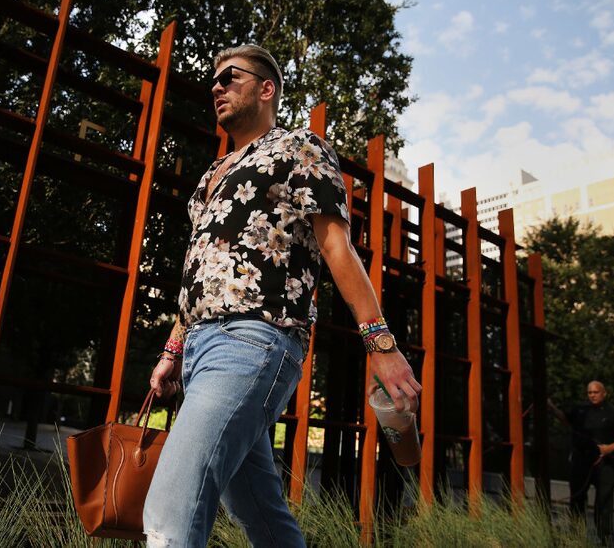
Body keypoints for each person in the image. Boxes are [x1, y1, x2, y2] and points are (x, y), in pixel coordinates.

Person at [141, 44, 421, 547]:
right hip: (200, 348)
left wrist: (381, 344)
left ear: (266, 88)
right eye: (214, 80)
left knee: (172, 502)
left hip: (254, 340)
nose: (216, 87)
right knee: (256, 509)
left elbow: (337, 245)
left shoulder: (300, 149)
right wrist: (170, 351)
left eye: (230, 77)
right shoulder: (212, 176)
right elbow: (200, 273)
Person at [548, 381, 614, 546]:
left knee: (604, 502)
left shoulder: (613, 413)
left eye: (595, 392)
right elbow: (566, 420)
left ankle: (606, 539)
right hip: (581, 460)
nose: (592, 395)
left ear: (604, 393)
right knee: (577, 499)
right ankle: (576, 537)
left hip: (604, 462)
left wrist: (610, 448)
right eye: (589, 393)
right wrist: (551, 407)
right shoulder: (580, 410)